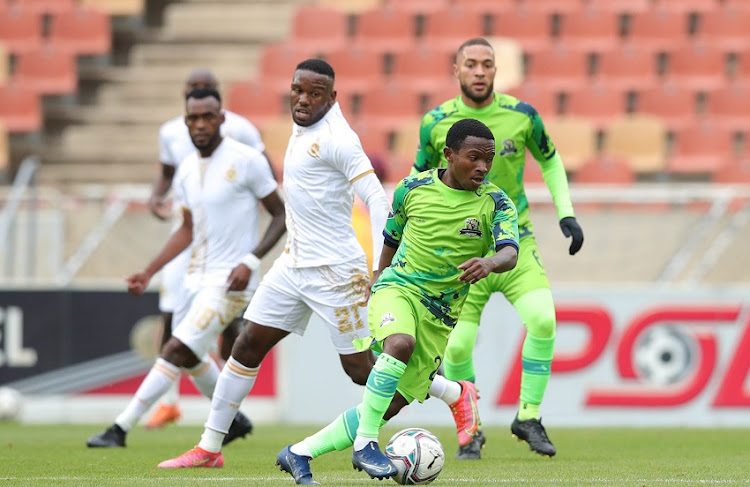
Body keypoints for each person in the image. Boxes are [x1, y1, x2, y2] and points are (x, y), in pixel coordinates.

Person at [157, 59, 482, 470]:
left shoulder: (338, 139)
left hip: (336, 273)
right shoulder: (302, 123)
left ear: (332, 97)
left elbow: (378, 200)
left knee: (362, 371)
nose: (303, 99)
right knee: (246, 345)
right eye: (297, 90)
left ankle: (453, 392)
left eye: (314, 93)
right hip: (293, 264)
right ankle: (209, 448)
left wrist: (382, 269)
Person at [276, 118, 519, 485]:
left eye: (489, 159)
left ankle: (299, 452)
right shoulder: (412, 188)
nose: (483, 167)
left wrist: (488, 262)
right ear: (449, 155)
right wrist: (378, 278)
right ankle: (366, 444)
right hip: (399, 289)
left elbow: (510, 253)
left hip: (440, 315)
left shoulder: (497, 203)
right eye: (474, 158)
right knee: (399, 343)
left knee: (389, 404)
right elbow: (391, 236)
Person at [86, 87, 286, 448]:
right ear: (185, 121)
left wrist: (251, 260)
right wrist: (149, 271)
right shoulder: (187, 169)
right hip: (194, 277)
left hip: (230, 282)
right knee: (191, 355)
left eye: (208, 116)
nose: (200, 124)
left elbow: (279, 214)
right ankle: (233, 420)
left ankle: (119, 428)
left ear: (222, 119)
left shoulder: (246, 159)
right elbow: (186, 229)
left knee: (175, 348)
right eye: (193, 118)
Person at [413, 37, 585, 459]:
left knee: (543, 319)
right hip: (462, 252)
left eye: (486, 64)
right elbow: (417, 183)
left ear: (495, 70)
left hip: (515, 244)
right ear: (456, 70)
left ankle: (528, 416)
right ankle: (469, 428)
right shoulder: (435, 122)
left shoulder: (522, 115)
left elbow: (551, 160)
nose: (478, 71)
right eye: (469, 64)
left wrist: (566, 212)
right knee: (455, 347)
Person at [145, 68, 275, 429]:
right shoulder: (171, 132)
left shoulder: (243, 131)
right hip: (187, 236)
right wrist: (156, 198)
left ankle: (225, 410)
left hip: (229, 246)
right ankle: (170, 402)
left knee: (226, 333)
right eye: (193, 93)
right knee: (173, 319)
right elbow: (166, 175)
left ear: (220, 103)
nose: (200, 101)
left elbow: (266, 177)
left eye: (208, 94)